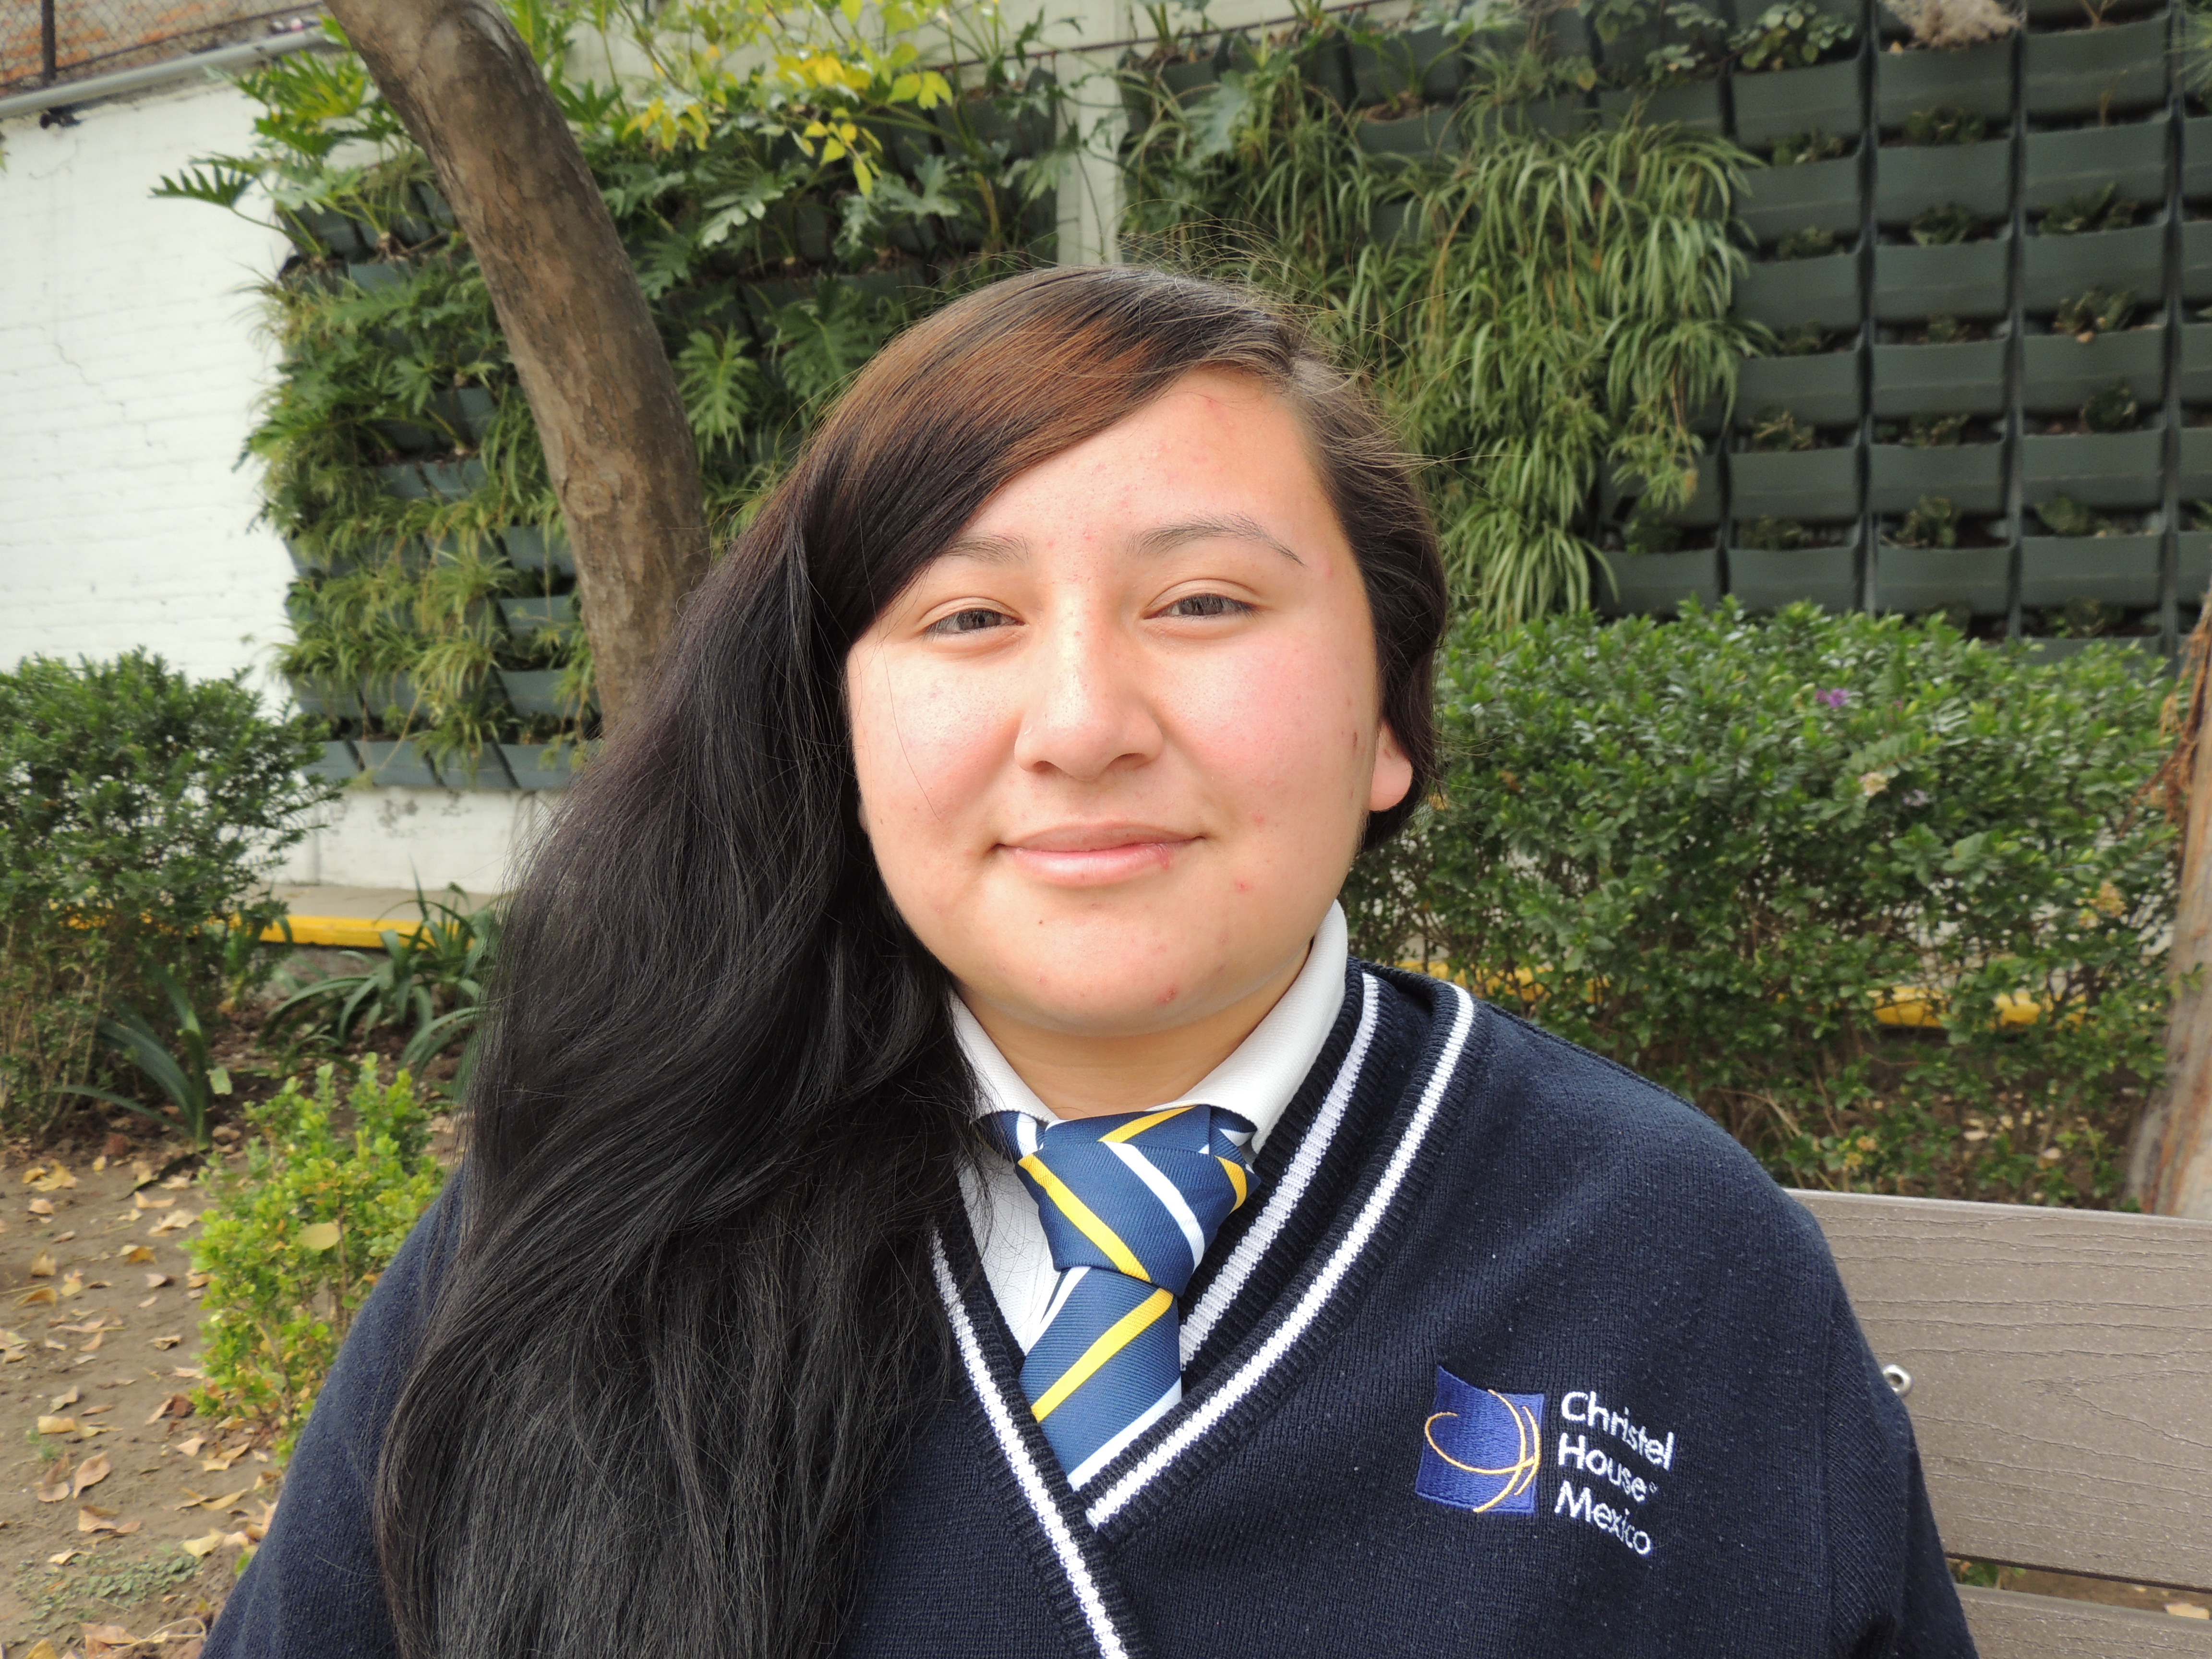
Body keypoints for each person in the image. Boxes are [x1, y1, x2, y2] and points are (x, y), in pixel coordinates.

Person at [206, 265, 1976, 1659]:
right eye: (968, 617)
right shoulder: (593, 1218)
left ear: (1388, 713)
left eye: (1202, 602)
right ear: (839, 732)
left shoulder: (1665, 1254)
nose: (1081, 723)